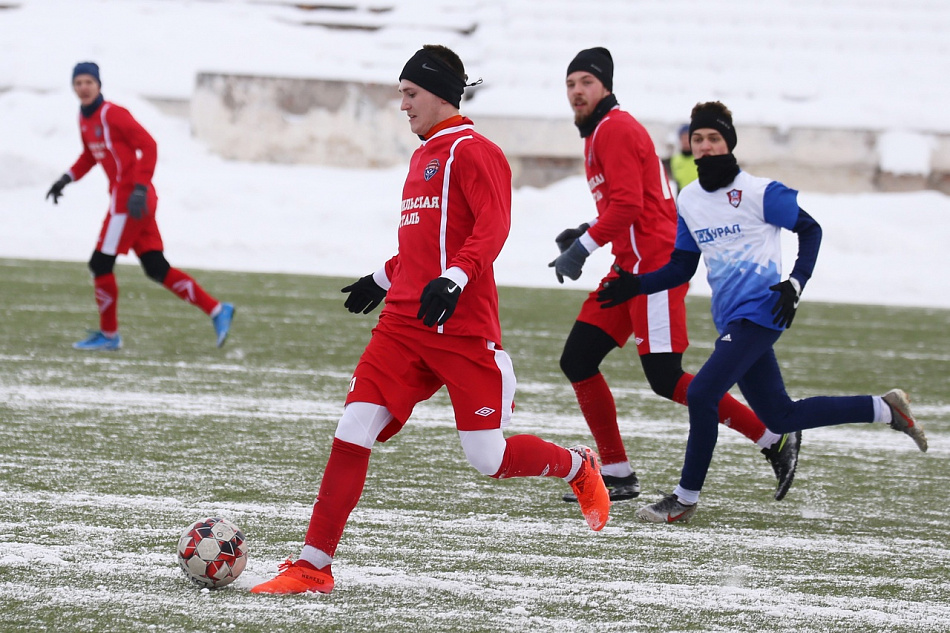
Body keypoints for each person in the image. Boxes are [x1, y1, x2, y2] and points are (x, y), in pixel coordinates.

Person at [250, 45, 610, 596]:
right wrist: (383, 276)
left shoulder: (474, 151)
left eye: (410, 94)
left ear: (441, 92)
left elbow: (492, 229)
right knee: (352, 429)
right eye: (401, 94)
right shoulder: (422, 156)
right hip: (402, 326)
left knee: (487, 459)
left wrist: (456, 280)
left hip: (461, 329)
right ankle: (313, 566)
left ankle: (577, 466)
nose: (402, 105)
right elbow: (421, 244)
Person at [597, 100, 928, 523]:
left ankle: (684, 498)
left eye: (713, 138)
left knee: (701, 394)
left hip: (764, 310)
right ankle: (886, 408)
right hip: (732, 318)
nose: (705, 146)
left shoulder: (758, 193)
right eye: (698, 139)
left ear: (728, 143)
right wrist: (638, 284)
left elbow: (811, 229)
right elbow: (683, 265)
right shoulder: (691, 199)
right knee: (780, 415)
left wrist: (795, 282)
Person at [549, 47, 800, 506]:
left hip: (654, 266)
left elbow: (629, 206)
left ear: (605, 85)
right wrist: (586, 230)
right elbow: (629, 202)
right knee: (578, 359)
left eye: (586, 81)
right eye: (570, 84)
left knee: (665, 378)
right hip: (629, 263)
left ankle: (773, 438)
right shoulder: (600, 132)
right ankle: (618, 473)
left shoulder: (616, 129)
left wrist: (582, 249)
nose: (577, 91)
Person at [45, 62, 234, 351]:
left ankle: (109, 336)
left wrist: (141, 187)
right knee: (156, 267)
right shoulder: (84, 118)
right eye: (78, 82)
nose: (83, 87)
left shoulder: (113, 114)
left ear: (99, 85)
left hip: (131, 200)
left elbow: (149, 144)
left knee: (100, 264)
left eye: (88, 82)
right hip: (129, 200)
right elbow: (89, 156)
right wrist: (65, 179)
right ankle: (218, 310)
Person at [667, 123, 698, 194]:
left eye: (688, 137)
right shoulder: (675, 159)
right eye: (683, 138)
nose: (685, 141)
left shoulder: (700, 158)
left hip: (699, 197)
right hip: (682, 196)